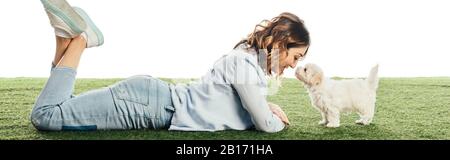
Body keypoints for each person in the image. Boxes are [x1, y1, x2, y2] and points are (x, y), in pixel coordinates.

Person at [31, 0, 310, 133]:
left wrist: (265, 105)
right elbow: (265, 124)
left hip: (148, 100)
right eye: (295, 57)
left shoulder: (248, 61)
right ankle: (79, 40)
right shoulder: (245, 65)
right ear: (279, 41)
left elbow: (249, 102)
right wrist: (275, 120)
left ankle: (63, 36)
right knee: (47, 117)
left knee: (63, 105)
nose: (292, 66)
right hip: (146, 107)